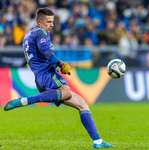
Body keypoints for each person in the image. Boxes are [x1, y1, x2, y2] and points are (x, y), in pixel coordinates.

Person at [4, 8, 115, 149]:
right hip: (48, 74)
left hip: (40, 76)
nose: (51, 25)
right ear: (39, 22)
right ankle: (26, 101)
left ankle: (98, 142)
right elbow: (46, 52)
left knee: (82, 104)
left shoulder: (28, 34)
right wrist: (60, 63)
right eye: (48, 22)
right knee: (67, 93)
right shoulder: (41, 32)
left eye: (53, 21)